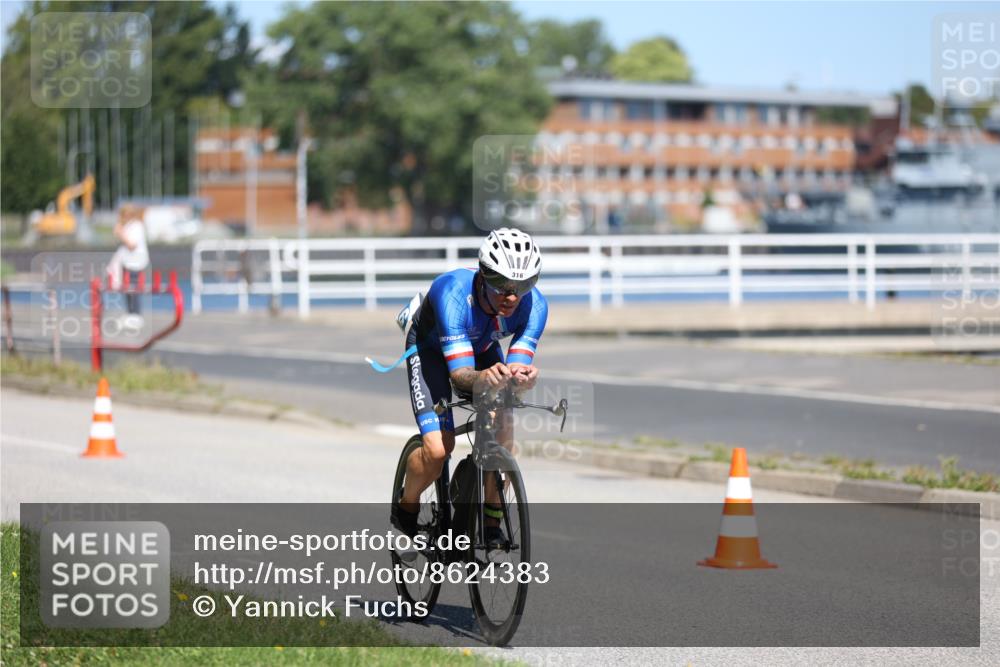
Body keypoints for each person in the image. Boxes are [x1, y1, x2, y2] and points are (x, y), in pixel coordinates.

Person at [392, 227, 547, 549]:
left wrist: (523, 381)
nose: (512, 296)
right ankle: (406, 508)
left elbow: (514, 372)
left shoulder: (535, 306)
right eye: (502, 284)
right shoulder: (451, 293)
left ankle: (491, 521)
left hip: (482, 347)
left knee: (502, 429)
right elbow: (460, 375)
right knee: (438, 449)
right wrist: (485, 378)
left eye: (524, 285)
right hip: (431, 352)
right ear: (483, 275)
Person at [110, 204, 149, 331]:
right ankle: (131, 315)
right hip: (127, 263)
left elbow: (132, 245)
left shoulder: (137, 226)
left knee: (133, 289)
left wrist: (120, 233)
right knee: (127, 289)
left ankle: (136, 315)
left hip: (135, 263)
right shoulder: (130, 226)